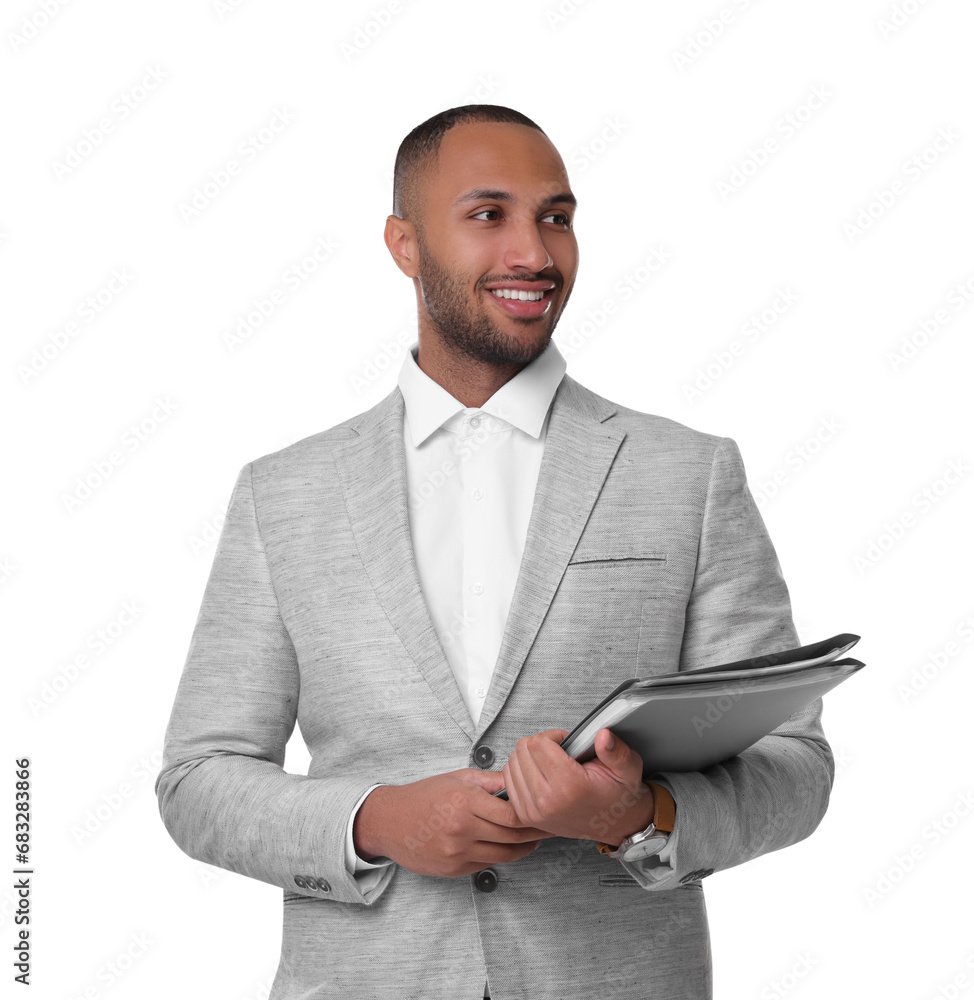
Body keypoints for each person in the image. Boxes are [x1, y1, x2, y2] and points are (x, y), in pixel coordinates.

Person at [155, 105, 834, 1000]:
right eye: (489, 215)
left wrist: (638, 814)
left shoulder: (688, 475)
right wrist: (378, 820)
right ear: (405, 244)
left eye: (556, 217)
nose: (536, 254)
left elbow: (795, 766)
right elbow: (199, 781)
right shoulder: (285, 493)